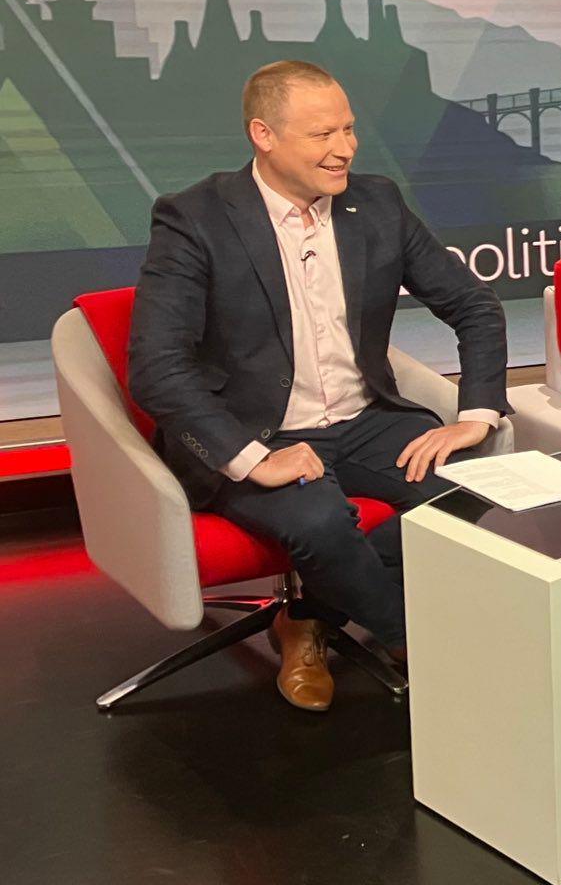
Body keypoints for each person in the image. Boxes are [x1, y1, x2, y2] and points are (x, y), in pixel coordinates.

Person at [128, 60, 509, 712]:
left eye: (350, 129)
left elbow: (473, 305)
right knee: (320, 522)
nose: (345, 149)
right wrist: (254, 459)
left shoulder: (377, 202)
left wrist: (476, 412)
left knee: (483, 490)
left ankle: (308, 614)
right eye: (321, 135)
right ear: (264, 135)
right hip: (258, 429)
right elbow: (157, 366)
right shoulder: (194, 218)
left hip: (366, 418)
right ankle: (424, 644)